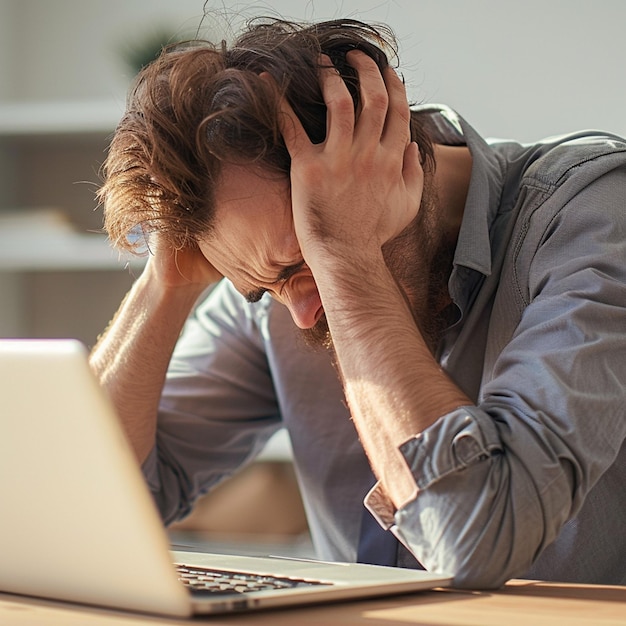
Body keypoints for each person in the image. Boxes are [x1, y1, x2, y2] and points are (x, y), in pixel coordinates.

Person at [90, 17, 626, 588]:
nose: (298, 315)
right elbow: (87, 510)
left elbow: (475, 538)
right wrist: (164, 285)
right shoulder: (274, 276)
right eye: (265, 287)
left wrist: (342, 255)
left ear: (388, 159)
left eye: (303, 266)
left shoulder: (591, 217)